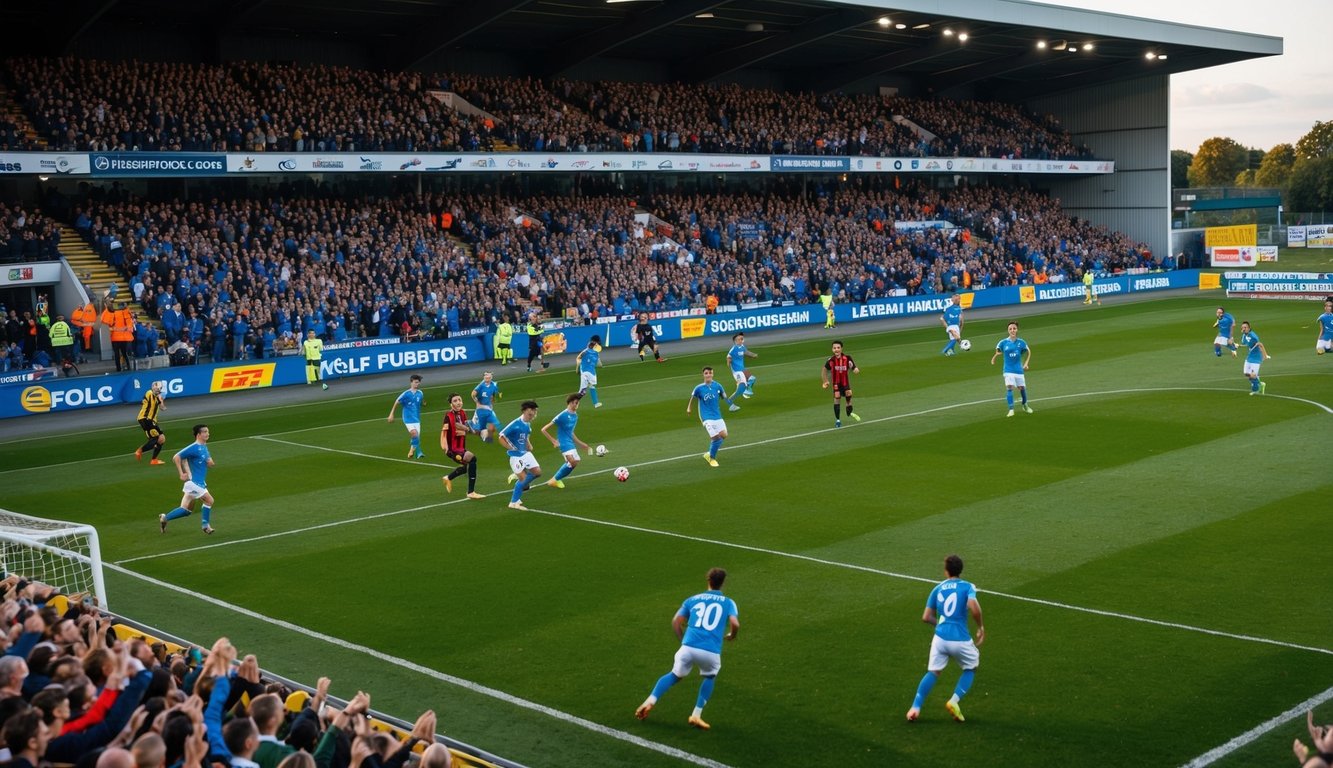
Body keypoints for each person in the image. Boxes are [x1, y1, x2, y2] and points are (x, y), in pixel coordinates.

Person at [634, 567, 740, 731]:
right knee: (710, 677)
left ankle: (649, 701)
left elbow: (676, 621)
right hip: (710, 651)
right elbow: (735, 623)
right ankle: (696, 715)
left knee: (674, 675)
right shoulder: (729, 602)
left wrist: (683, 640)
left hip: (687, 648)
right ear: (723, 583)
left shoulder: (692, 599)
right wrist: (732, 635)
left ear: (708, 581)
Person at [906, 554, 985, 723]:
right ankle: (954, 701)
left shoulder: (937, 588)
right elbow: (974, 609)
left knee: (933, 672)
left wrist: (941, 623)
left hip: (940, 639)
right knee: (971, 667)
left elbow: (926, 617)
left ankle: (915, 708)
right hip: (960, 639)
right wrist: (980, 627)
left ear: (946, 571)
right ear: (961, 570)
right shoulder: (967, 586)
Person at [158, 424, 217, 534]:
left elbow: (209, 463)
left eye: (208, 431)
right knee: (209, 500)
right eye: (204, 432)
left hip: (200, 482)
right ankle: (206, 526)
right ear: (198, 434)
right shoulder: (194, 447)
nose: (207, 434)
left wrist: (210, 463)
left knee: (186, 510)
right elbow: (176, 457)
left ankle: (164, 518)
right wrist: (181, 473)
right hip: (193, 482)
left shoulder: (204, 447)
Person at [688, 366, 737, 468]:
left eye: (710, 373)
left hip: (717, 415)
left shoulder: (718, 386)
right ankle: (712, 458)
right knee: (716, 438)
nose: (708, 375)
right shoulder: (699, 388)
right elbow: (692, 397)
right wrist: (689, 408)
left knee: (724, 435)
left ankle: (708, 453)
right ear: (703, 375)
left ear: (713, 374)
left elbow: (725, 397)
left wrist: (731, 404)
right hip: (706, 417)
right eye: (706, 373)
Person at [541, 392, 591, 489]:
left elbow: (571, 432)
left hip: (570, 442)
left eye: (578, 403)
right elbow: (544, 429)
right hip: (563, 443)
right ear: (570, 403)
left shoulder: (575, 416)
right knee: (572, 461)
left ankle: (556, 479)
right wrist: (553, 441)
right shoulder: (562, 415)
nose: (577, 405)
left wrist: (581, 444)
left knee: (575, 462)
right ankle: (554, 480)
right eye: (576, 403)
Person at [440, 393, 485, 499]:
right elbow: (454, 426)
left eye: (459, 400)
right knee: (472, 459)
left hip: (460, 447)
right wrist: (446, 448)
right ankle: (471, 492)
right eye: (455, 401)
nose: (458, 402)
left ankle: (447, 478)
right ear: (451, 404)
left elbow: (464, 426)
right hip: (453, 449)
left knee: (466, 468)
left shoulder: (462, 413)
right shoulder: (449, 415)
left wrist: (475, 430)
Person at [498, 400, 541, 511]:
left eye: (535, 411)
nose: (534, 414)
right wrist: (510, 448)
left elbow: (526, 437)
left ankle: (518, 477)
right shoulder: (515, 424)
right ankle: (513, 502)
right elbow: (501, 436)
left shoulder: (527, 425)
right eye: (532, 411)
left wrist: (529, 445)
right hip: (515, 456)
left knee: (537, 472)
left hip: (525, 454)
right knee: (524, 481)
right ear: (525, 410)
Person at [990, 321, 1033, 417]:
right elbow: (998, 350)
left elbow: (1028, 352)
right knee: (1009, 387)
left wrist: (1026, 363)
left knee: (1022, 388)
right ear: (1008, 330)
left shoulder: (1021, 342)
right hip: (1008, 370)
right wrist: (996, 355)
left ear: (1017, 330)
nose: (1012, 330)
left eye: (1014, 328)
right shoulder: (1003, 342)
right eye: (1010, 329)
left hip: (1018, 370)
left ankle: (1025, 405)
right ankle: (1011, 409)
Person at [822, 340, 861, 428]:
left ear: (841, 349)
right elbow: (824, 370)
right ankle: (838, 420)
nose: (836, 350)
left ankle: (849, 407)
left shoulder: (847, 358)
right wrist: (825, 381)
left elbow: (853, 366)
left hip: (845, 383)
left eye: (838, 348)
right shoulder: (831, 360)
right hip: (836, 384)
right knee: (837, 397)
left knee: (849, 394)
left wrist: (855, 369)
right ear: (832, 349)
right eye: (834, 348)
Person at [387, 374, 426, 458]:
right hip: (407, 418)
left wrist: (423, 404)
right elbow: (397, 402)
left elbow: (421, 400)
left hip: (417, 419)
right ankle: (412, 451)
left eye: (418, 382)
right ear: (411, 382)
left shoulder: (420, 393)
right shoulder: (406, 394)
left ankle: (415, 452)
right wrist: (391, 414)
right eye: (415, 382)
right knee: (414, 434)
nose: (417, 384)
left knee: (416, 438)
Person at [135, 380, 168, 465]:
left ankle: (154, 460)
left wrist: (161, 400)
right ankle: (140, 451)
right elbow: (152, 393)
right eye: (157, 387)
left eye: (159, 388)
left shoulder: (157, 397)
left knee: (161, 439)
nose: (158, 389)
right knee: (156, 438)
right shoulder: (149, 393)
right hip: (146, 418)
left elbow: (163, 408)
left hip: (151, 420)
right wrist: (157, 393)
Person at [1238, 320, 1271, 395]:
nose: (1243, 329)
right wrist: (1239, 346)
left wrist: (1265, 356)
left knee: (1252, 376)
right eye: (1242, 327)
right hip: (1250, 356)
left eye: (1245, 327)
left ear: (1249, 328)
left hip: (1256, 358)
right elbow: (1248, 345)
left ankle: (1257, 388)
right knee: (1246, 373)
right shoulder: (1244, 336)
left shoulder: (1253, 336)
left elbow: (1260, 345)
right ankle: (1260, 383)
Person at [469, 371, 502, 442]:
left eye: (489, 376)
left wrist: (492, 400)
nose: (488, 378)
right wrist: (477, 402)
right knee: (476, 431)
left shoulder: (494, 384)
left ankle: (487, 437)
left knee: (493, 427)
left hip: (489, 409)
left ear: (491, 377)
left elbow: (493, 394)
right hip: (481, 409)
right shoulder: (481, 385)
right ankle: (470, 425)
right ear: (484, 377)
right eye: (486, 376)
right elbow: (473, 394)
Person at [726, 333, 757, 400]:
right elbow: (728, 357)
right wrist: (729, 362)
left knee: (752, 378)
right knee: (741, 387)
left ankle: (746, 392)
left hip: (742, 368)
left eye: (741, 339)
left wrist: (753, 355)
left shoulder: (742, 347)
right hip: (737, 370)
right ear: (735, 341)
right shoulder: (733, 349)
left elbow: (746, 352)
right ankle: (730, 401)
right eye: (739, 339)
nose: (741, 340)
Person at [575, 335, 603, 408]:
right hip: (587, 371)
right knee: (583, 390)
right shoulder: (590, 351)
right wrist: (577, 369)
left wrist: (577, 369)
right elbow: (600, 364)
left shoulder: (590, 351)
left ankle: (596, 403)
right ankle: (573, 403)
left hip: (589, 371)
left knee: (589, 387)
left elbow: (578, 358)